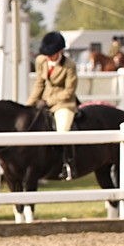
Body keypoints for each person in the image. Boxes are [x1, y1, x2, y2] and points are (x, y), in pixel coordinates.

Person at [25, 31, 78, 180]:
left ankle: (68, 164)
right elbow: (39, 83)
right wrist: (29, 105)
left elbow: (69, 91)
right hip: (43, 102)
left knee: (62, 130)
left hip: (63, 104)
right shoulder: (41, 61)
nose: (49, 58)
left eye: (52, 54)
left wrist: (48, 101)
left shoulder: (69, 66)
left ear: (60, 51)